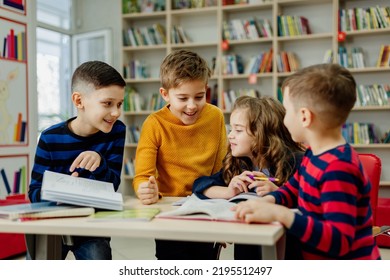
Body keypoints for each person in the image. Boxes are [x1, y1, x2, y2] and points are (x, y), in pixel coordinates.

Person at [234, 63, 381, 260]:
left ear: (304, 116)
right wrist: (268, 201)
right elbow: (292, 190)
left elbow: (339, 241)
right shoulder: (314, 154)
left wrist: (282, 215)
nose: (283, 120)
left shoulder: (338, 169)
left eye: (286, 112)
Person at [133, 49, 227, 259]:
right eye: (183, 98)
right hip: (170, 211)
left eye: (199, 96)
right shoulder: (154, 124)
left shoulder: (215, 116)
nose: (192, 105)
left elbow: (221, 170)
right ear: (165, 94)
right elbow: (142, 176)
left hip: (206, 205)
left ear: (206, 90)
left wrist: (222, 216)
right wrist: (145, 190)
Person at [28, 60, 126, 260]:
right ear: (79, 101)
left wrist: (100, 163)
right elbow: (34, 192)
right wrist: (63, 193)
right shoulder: (49, 137)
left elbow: (112, 185)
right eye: (108, 103)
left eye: (119, 104)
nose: (116, 112)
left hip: (91, 226)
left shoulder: (116, 131)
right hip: (52, 225)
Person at [193, 95, 304, 260]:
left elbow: (313, 204)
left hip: (290, 254)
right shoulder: (240, 165)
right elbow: (200, 184)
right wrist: (228, 191)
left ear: (262, 134)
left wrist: (280, 194)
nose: (230, 135)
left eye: (238, 130)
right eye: (231, 129)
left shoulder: (296, 161)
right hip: (249, 253)